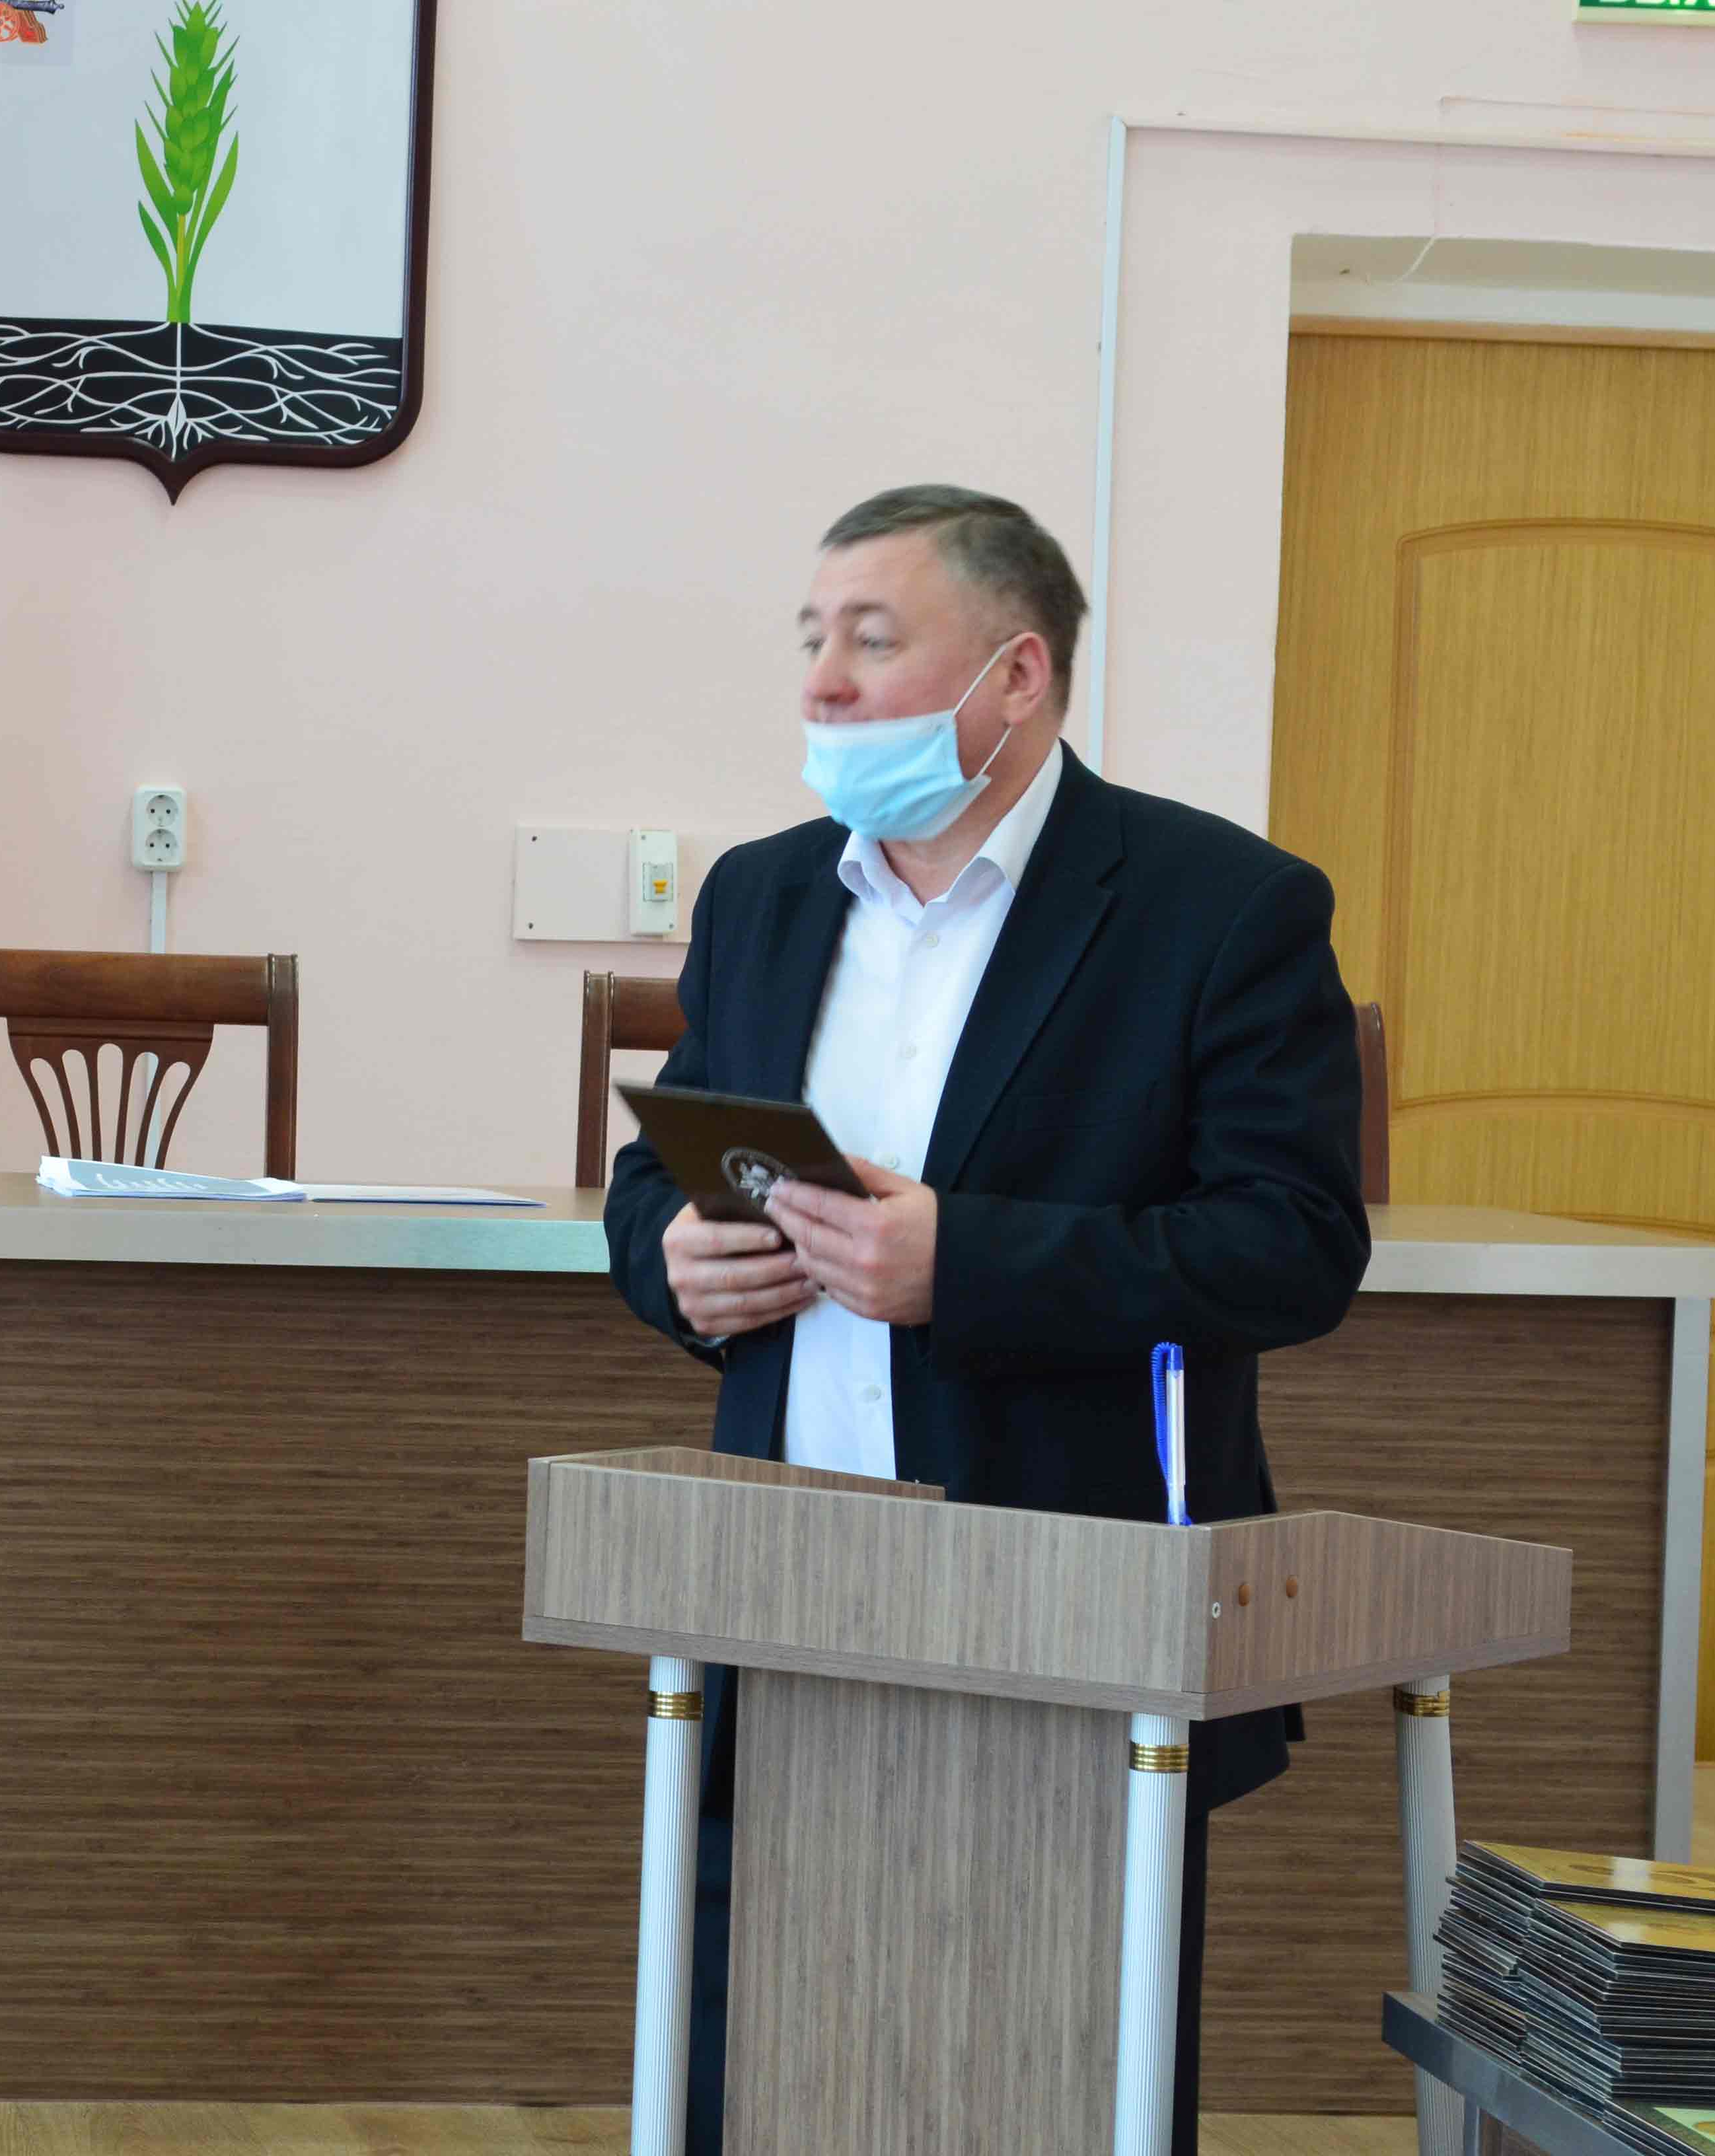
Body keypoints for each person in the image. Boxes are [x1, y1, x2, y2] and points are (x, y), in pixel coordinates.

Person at [602, 485, 1370, 2156]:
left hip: (1070, 1599)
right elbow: (659, 1168)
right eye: (812, 638)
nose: (822, 682)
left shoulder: (1219, 906)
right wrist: (672, 1260)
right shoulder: (763, 896)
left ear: (1015, 675)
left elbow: (1294, 1245)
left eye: (873, 640)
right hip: (779, 1584)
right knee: (763, 2060)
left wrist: (972, 1267)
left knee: (1055, 2075)